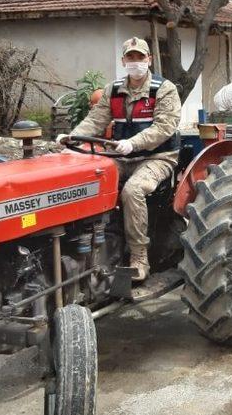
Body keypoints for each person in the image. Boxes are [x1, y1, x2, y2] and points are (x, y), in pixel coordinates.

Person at [59, 37, 182, 281]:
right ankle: (83, 247)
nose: (135, 62)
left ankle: (139, 257)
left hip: (157, 156)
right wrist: (71, 140)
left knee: (132, 190)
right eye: (130, 57)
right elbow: (96, 120)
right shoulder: (113, 90)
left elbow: (164, 127)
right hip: (121, 155)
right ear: (123, 60)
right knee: (87, 178)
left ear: (149, 59)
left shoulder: (164, 89)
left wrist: (134, 143)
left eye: (140, 57)